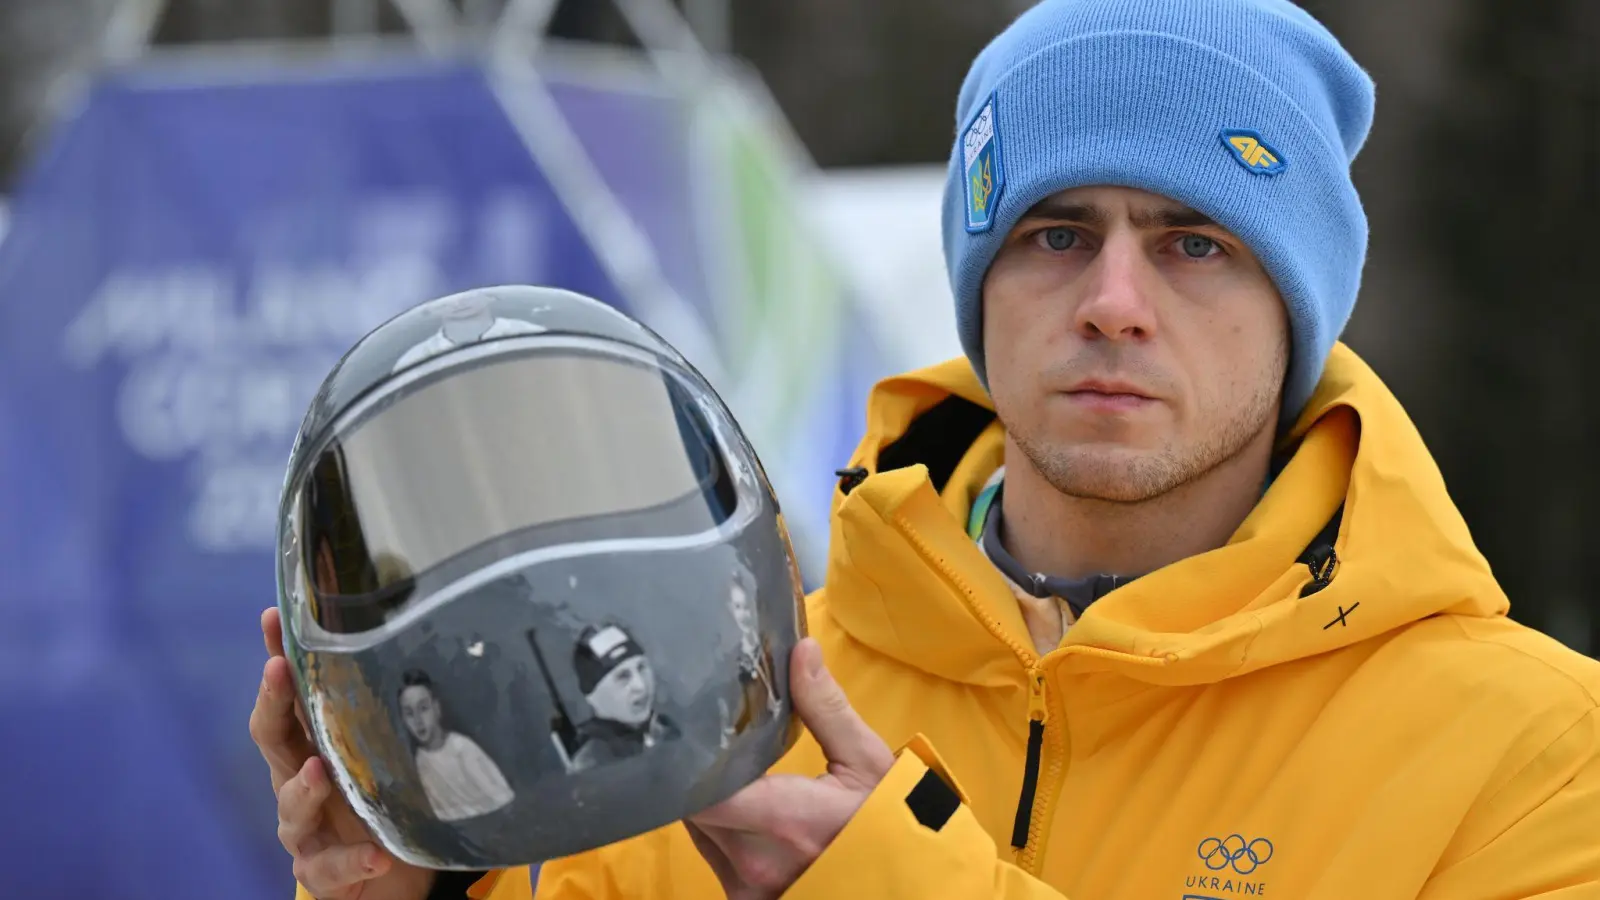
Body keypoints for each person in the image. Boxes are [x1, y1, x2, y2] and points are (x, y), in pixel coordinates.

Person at [251, 0, 1600, 897]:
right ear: (978, 283)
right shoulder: (711, 709)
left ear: (1298, 309)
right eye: (1054, 235)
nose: (1115, 300)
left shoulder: (1533, 753)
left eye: (1197, 244)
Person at [396, 670, 516, 822]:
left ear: (437, 708)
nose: (418, 720)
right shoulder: (420, 760)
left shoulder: (461, 748)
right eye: (409, 713)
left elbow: (502, 798)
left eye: (423, 708)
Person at [564, 624, 682, 771]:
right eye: (622, 677)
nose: (641, 686)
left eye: (641, 668)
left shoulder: (665, 728)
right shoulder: (594, 759)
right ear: (593, 695)